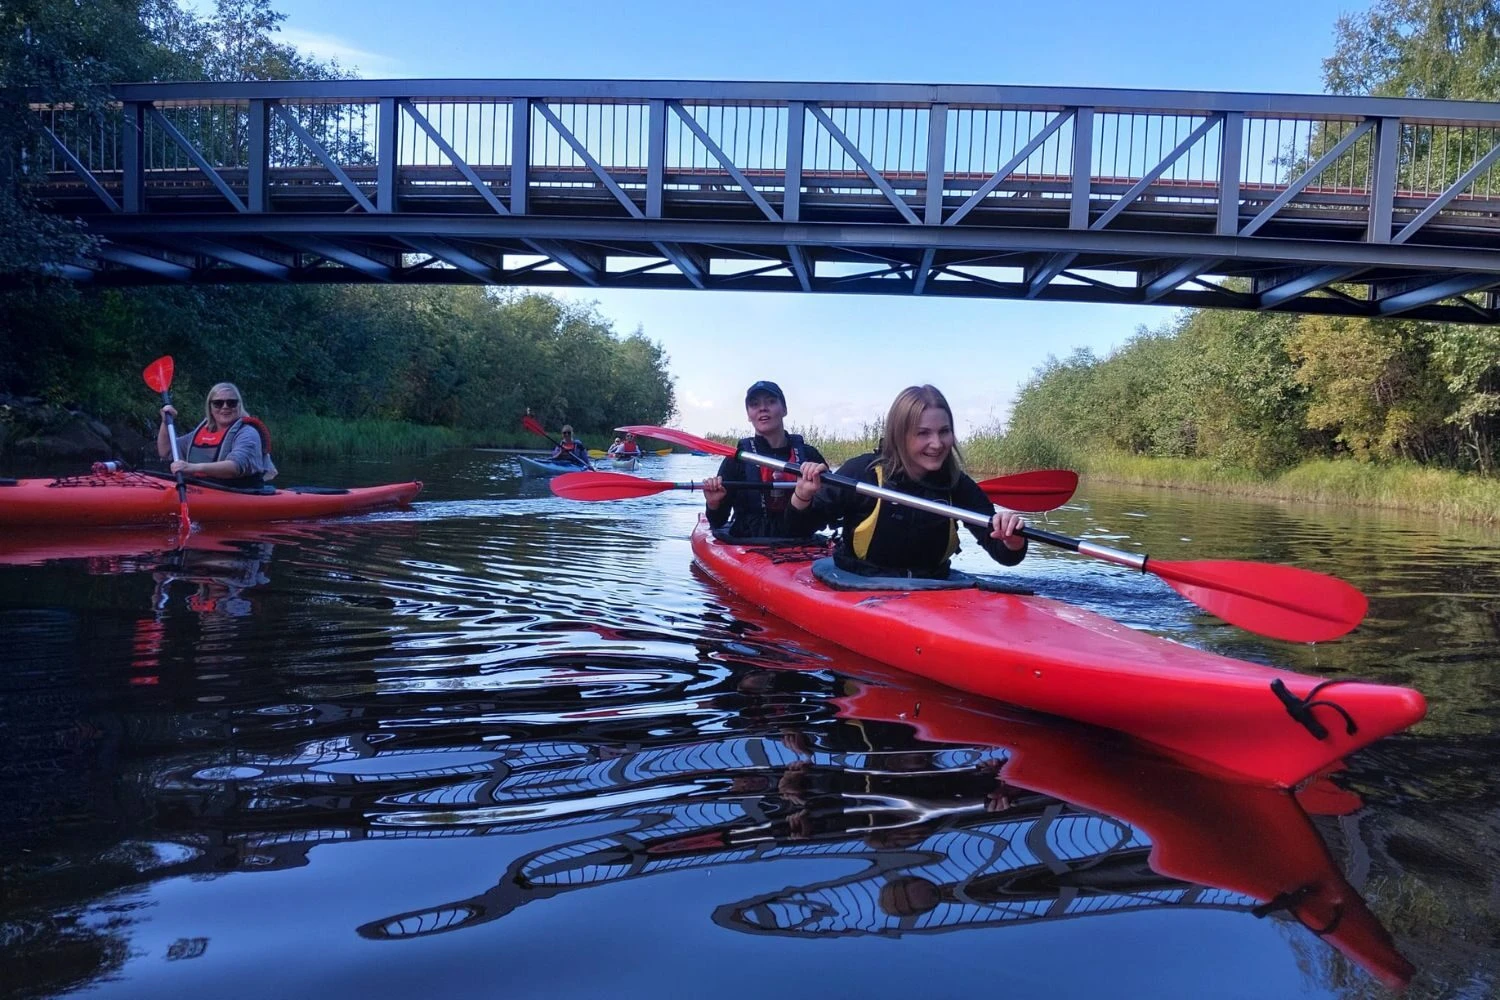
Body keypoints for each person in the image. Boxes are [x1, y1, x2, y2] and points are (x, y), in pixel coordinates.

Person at [787, 384, 1026, 578]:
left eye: (944, 431)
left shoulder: (957, 484)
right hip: (859, 583)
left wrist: (1012, 541)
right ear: (899, 436)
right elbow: (797, 531)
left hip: (934, 587)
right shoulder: (862, 474)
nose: (937, 443)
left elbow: (1004, 555)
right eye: (923, 433)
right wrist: (803, 496)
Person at [702, 380, 828, 539]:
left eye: (771, 401)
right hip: (747, 541)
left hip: (799, 540)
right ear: (749, 415)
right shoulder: (737, 459)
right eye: (754, 404)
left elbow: (826, 516)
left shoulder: (810, 456)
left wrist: (810, 494)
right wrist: (713, 504)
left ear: (784, 409)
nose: (762, 408)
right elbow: (717, 522)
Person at [158, 381, 277, 489]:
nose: (225, 407)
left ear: (239, 405)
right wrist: (165, 422)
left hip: (240, 492)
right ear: (210, 407)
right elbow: (166, 451)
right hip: (205, 488)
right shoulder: (202, 432)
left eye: (231, 403)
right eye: (218, 403)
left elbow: (236, 466)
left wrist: (193, 467)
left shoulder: (248, 433)